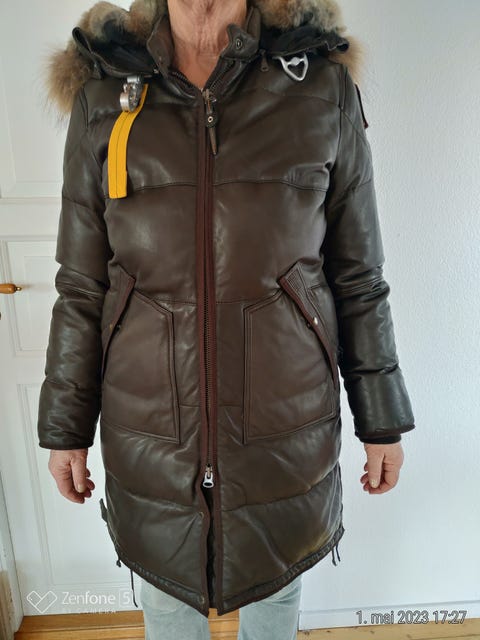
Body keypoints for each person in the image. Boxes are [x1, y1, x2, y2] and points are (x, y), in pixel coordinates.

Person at [38, 0, 416, 637]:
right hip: (149, 426)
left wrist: (381, 419)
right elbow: (82, 284)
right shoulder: (105, 91)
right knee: (166, 603)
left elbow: (357, 275)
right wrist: (64, 427)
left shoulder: (320, 86)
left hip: (285, 423)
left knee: (276, 597)